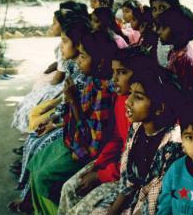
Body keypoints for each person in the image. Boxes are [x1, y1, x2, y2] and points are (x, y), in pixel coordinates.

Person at [27, 26, 116, 214]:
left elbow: (93, 145)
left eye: (83, 57)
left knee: (44, 177)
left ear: (100, 62)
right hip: (72, 139)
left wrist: (74, 102)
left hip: (82, 149)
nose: (78, 61)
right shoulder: (89, 79)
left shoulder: (103, 93)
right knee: (36, 160)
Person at [58, 47, 150, 215]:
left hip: (126, 177)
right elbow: (117, 139)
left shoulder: (142, 110)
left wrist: (101, 175)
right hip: (114, 165)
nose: (114, 79)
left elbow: (135, 163)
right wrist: (98, 165)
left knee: (80, 210)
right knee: (69, 188)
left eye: (122, 72)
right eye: (114, 71)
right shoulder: (121, 99)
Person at [91, 60, 184, 215]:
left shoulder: (173, 144)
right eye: (130, 94)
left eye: (138, 97)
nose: (128, 101)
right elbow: (128, 181)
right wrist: (112, 211)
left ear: (159, 108)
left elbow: (155, 198)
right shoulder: (136, 128)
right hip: (132, 197)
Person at [11, 1, 88, 134]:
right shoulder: (71, 64)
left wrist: (52, 119)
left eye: (65, 41)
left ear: (78, 45)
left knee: (36, 115)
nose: (61, 46)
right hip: (64, 111)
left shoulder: (83, 73)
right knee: (36, 114)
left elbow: (73, 108)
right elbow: (64, 99)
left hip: (71, 121)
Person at [156, 6, 193, 86]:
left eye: (163, 28)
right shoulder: (177, 49)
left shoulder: (183, 58)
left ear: (178, 31)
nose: (158, 31)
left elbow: (183, 88)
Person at [149, 0, 181, 67]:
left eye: (162, 7)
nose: (157, 13)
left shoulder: (180, 37)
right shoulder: (157, 31)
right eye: (154, 9)